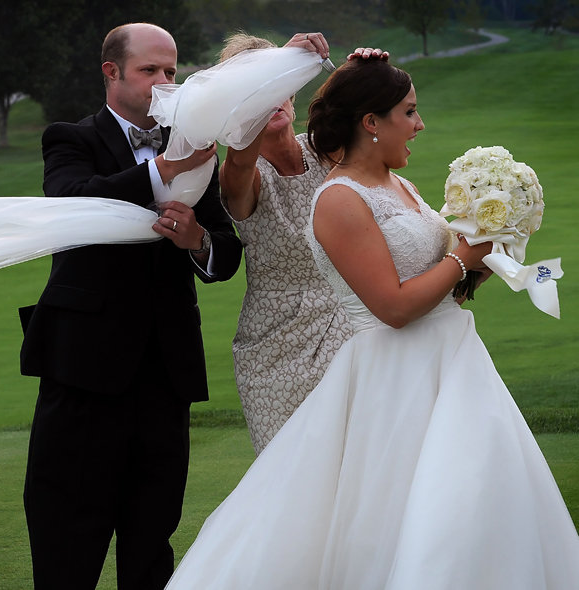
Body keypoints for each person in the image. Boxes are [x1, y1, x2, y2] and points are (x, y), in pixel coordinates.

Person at [164, 57, 579, 588]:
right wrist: (463, 258)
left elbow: (444, 281)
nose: (420, 124)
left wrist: (488, 250)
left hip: (453, 364)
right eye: (409, 111)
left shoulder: (398, 186)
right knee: (403, 512)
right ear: (371, 123)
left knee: (475, 502)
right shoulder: (338, 198)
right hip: (396, 377)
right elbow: (395, 307)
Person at [18, 23, 243, 590]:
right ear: (111, 73)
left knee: (152, 532)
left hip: (166, 370)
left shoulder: (194, 146)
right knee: (67, 529)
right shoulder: (69, 137)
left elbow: (226, 249)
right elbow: (70, 202)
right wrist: (159, 172)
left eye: (171, 72)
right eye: (150, 71)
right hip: (83, 366)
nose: (164, 82)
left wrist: (198, 241)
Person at [219, 34, 388, 454]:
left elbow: (358, 112)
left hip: (353, 330)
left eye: (278, 85)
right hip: (273, 346)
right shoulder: (241, 172)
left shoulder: (327, 154)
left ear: (292, 91)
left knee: (357, 464)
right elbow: (239, 159)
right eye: (255, 89)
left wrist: (363, 69)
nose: (270, 99)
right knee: (288, 472)